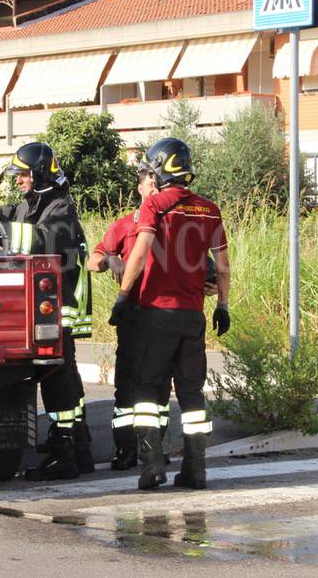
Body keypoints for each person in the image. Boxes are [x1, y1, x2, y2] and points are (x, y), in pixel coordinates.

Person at [109, 137, 231, 490]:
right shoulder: (210, 210)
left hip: (155, 314)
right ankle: (196, 470)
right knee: (192, 396)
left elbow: (141, 253)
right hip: (193, 318)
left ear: (160, 169)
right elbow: (222, 266)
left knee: (147, 391)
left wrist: (122, 294)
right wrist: (223, 305)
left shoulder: (155, 206)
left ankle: (152, 468)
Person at [88, 169, 218, 471]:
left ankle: (153, 453)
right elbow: (91, 261)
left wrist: (208, 287)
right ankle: (124, 451)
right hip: (132, 318)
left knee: (157, 391)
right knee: (127, 389)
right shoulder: (125, 225)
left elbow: (204, 270)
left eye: (157, 185)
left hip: (162, 319)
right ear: (141, 190)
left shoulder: (178, 222)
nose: (156, 190)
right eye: (151, 186)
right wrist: (110, 259)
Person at [0, 142, 94, 480]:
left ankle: (64, 456)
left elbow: (40, 241)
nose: (19, 181)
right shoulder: (37, 203)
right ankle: (79, 449)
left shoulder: (61, 208)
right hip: (51, 313)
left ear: (38, 173)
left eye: (23, 174)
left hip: (62, 310)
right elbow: (17, 215)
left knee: (57, 381)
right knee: (66, 378)